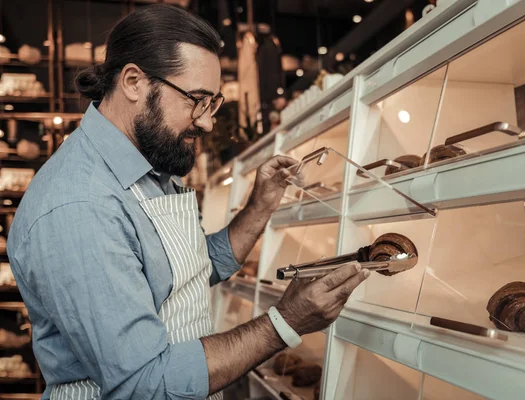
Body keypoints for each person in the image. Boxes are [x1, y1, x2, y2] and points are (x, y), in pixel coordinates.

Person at [6, 5, 370, 400]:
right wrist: (286, 321)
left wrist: (260, 205)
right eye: (197, 100)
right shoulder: (79, 205)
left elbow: (189, 271)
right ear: (133, 82)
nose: (207, 122)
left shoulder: (150, 166)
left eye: (212, 103)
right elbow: (144, 383)